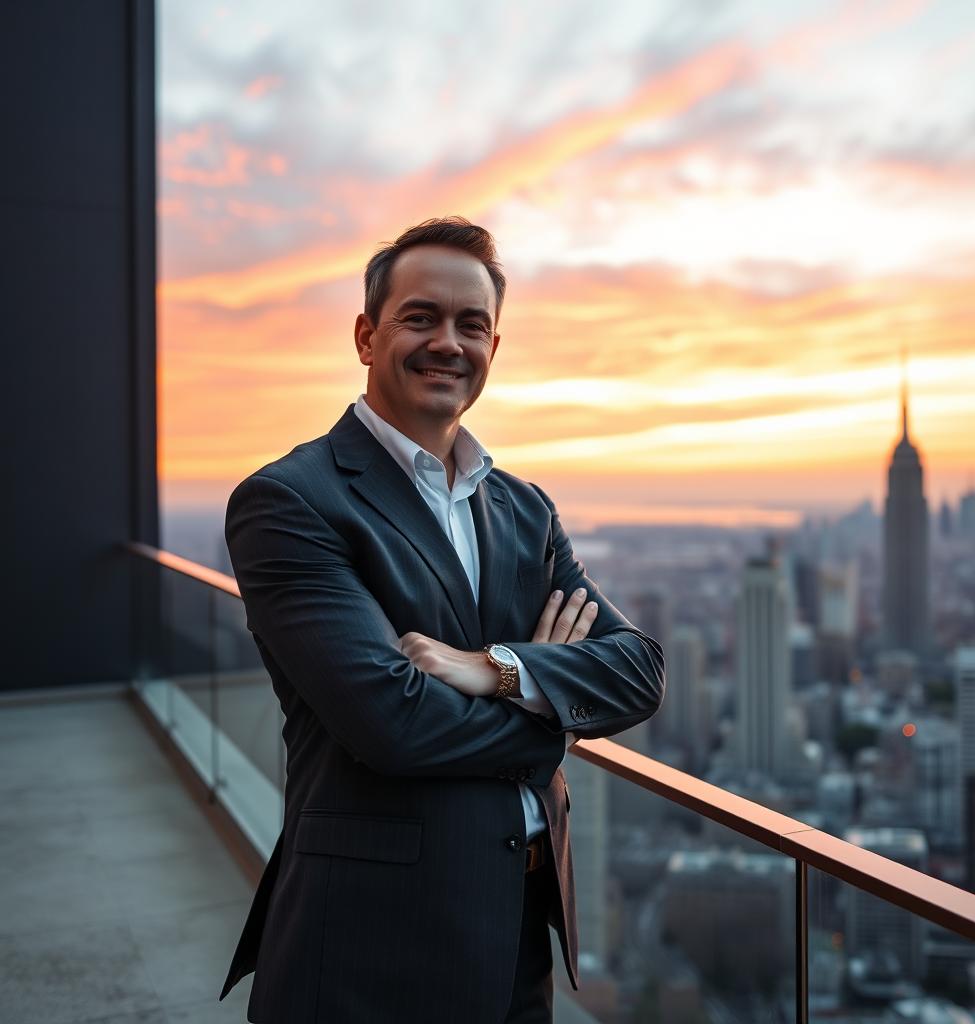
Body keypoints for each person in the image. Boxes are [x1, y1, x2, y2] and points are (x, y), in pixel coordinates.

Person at [218, 216, 665, 1023]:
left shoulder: (525, 510)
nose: (448, 344)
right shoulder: (291, 501)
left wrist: (494, 669)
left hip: (520, 932)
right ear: (366, 336)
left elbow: (639, 670)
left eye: (472, 324)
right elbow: (392, 723)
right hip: (369, 945)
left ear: (495, 346)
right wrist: (552, 721)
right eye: (420, 317)